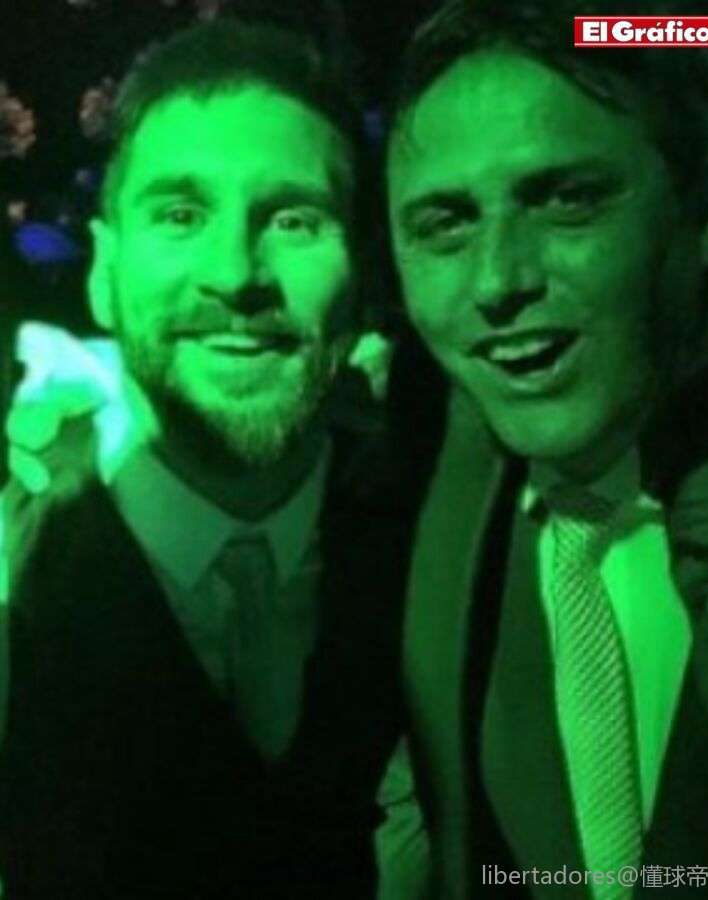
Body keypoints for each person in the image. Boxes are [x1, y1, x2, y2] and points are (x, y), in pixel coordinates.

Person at [0, 18, 417, 900]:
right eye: (181, 215)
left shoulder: (433, 536)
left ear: (366, 279)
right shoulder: (17, 572)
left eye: (294, 219)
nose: (234, 274)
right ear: (103, 273)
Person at [380, 0, 708, 896]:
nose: (498, 280)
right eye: (445, 223)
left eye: (568, 200)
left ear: (703, 206)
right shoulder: (423, 518)